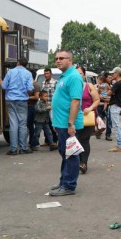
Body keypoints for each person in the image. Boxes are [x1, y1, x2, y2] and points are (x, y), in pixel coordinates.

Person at [49, 49, 84, 196]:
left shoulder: (74, 77)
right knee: (65, 154)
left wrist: (70, 124)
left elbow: (75, 102)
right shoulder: (63, 76)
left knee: (71, 155)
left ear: (70, 60)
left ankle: (69, 186)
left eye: (62, 58)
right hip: (61, 124)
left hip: (68, 124)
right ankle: (64, 180)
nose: (58, 60)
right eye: (56, 58)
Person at [0, 57, 34, 155]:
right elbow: (30, 89)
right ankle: (24, 147)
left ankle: (13, 149)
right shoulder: (28, 74)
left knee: (13, 124)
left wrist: (1, 83)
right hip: (22, 101)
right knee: (22, 124)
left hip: (10, 100)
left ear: (18, 62)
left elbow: (4, 86)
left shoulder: (10, 72)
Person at [75, 65, 100, 174]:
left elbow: (97, 100)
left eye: (80, 73)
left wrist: (89, 108)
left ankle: (83, 163)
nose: (78, 75)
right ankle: (78, 162)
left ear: (84, 75)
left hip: (87, 117)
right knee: (75, 140)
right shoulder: (71, 87)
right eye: (75, 73)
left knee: (84, 140)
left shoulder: (89, 86)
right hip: (74, 118)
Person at [108, 67, 121, 152]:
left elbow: (109, 93)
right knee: (116, 125)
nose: (112, 75)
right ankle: (119, 144)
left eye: (113, 73)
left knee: (116, 126)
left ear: (117, 74)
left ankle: (120, 145)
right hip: (116, 105)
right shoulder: (120, 83)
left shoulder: (117, 84)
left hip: (115, 106)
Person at [41, 68, 58, 150]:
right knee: (45, 123)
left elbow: (57, 95)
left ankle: (55, 140)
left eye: (47, 73)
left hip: (52, 106)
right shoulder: (43, 83)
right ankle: (47, 140)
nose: (46, 75)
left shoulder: (55, 82)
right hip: (44, 106)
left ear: (51, 74)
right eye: (45, 73)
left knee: (52, 124)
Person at [27, 70, 41, 151]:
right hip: (29, 107)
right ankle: (32, 142)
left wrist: (26, 97)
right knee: (30, 125)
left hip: (33, 107)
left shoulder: (35, 85)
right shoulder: (30, 84)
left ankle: (34, 143)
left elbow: (36, 97)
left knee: (32, 126)